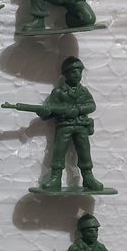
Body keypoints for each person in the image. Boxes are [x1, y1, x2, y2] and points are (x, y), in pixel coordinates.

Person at [40, 56, 102, 192]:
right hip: (64, 126)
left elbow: (91, 105)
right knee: (59, 151)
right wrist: (44, 113)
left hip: (81, 126)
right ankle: (55, 178)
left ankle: (88, 177)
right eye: (73, 72)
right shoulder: (58, 92)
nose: (77, 75)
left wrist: (79, 109)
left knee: (85, 152)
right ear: (66, 74)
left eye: (79, 71)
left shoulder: (84, 91)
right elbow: (51, 110)